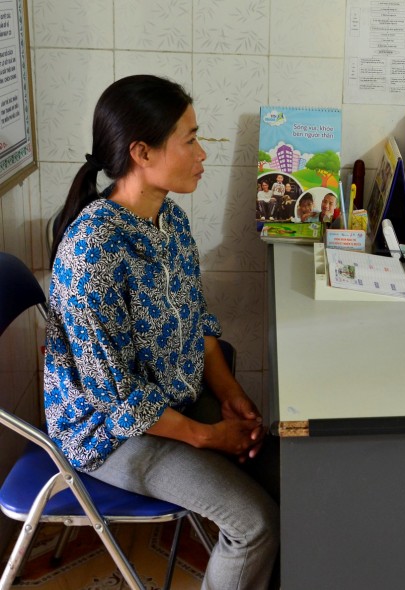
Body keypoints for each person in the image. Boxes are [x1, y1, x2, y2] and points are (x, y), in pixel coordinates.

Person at [44, 75, 279, 589]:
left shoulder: (168, 219)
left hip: (176, 396)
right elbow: (119, 400)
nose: (202, 154)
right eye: (190, 139)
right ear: (142, 153)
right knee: (253, 524)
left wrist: (232, 396)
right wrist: (209, 436)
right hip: (112, 434)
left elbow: (199, 322)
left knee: (293, 475)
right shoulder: (93, 253)